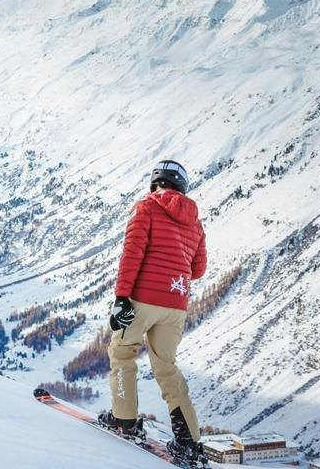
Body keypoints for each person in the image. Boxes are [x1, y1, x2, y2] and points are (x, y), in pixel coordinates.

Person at [99, 159, 208, 462]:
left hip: (143, 298)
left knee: (122, 352)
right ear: (182, 186)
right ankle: (190, 442)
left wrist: (122, 297)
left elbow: (132, 254)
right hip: (176, 304)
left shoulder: (146, 207)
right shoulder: (195, 222)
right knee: (166, 367)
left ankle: (125, 422)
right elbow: (197, 269)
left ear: (155, 182)